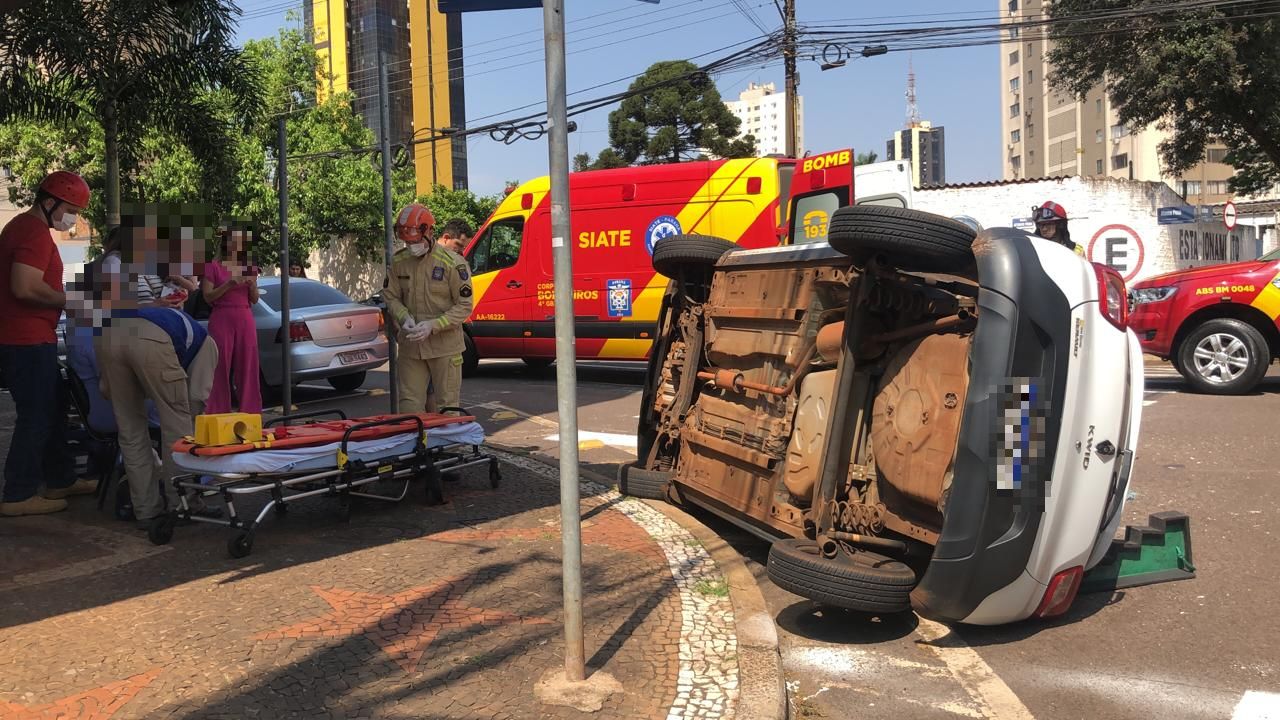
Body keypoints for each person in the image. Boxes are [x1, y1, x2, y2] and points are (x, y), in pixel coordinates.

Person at [92, 233, 217, 529]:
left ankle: (146, 511)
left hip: (109, 338)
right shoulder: (206, 343)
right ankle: (183, 503)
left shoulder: (121, 264)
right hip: (149, 337)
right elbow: (194, 406)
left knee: (131, 431)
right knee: (179, 426)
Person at [0, 171, 96, 516]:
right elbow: (24, 287)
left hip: (30, 338)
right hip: (24, 340)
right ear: (50, 201)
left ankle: (60, 478)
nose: (72, 219)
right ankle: (18, 493)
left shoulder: (26, 230)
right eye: (71, 209)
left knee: (53, 409)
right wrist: (67, 300)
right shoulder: (32, 232)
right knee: (36, 415)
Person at [383, 203, 473, 414]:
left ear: (430, 232)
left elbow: (464, 305)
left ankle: (445, 447)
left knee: (447, 406)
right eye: (407, 241)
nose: (411, 245)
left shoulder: (453, 263)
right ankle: (415, 444)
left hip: (445, 347)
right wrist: (403, 317)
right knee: (409, 404)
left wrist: (434, 325)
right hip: (411, 346)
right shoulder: (399, 262)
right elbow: (390, 295)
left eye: (415, 240)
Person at [202, 226, 261, 414]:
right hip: (222, 316)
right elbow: (208, 297)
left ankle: (250, 411)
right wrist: (229, 284)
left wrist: (251, 286)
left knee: (248, 364)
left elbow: (255, 299)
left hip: (244, 316)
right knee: (220, 365)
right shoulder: (213, 266)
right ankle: (218, 411)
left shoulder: (249, 267)